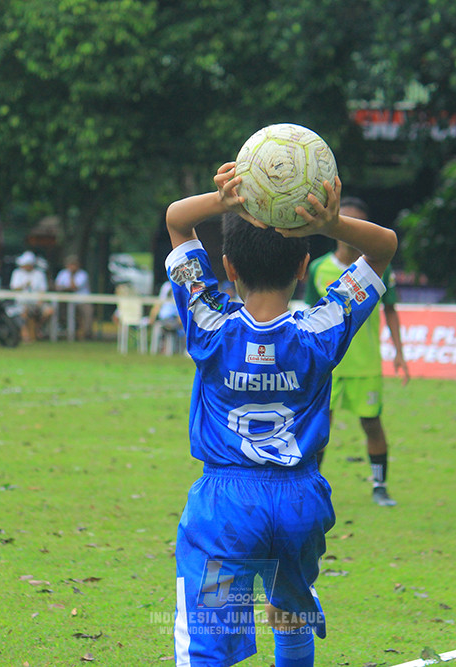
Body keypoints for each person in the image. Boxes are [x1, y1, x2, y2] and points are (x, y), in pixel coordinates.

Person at [166, 163, 397, 667]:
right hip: (300, 503)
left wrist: (225, 200)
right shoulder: (322, 331)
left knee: (209, 641)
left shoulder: (210, 326)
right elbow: (383, 247)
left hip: (227, 506)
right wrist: (331, 222)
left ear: (228, 268)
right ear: (303, 267)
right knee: (289, 611)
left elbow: (177, 222)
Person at [302, 196, 408, 507]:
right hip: (329, 366)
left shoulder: (376, 268)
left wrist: (399, 352)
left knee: (372, 423)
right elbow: (310, 316)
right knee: (320, 426)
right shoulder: (318, 268)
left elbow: (390, 310)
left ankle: (380, 486)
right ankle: (311, 488)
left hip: (365, 364)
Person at [9, 250, 53, 342]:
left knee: (49, 311)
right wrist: (24, 285)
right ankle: (26, 336)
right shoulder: (17, 273)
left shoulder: (39, 274)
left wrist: (40, 301)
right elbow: (14, 288)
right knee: (23, 313)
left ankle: (37, 328)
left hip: (37, 302)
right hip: (22, 303)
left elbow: (43, 290)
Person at [54, 254, 93, 340]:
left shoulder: (83, 274)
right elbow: (57, 287)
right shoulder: (63, 273)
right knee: (58, 309)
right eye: (70, 264)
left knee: (88, 311)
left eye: (74, 264)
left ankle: (86, 334)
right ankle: (64, 329)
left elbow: (74, 287)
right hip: (66, 301)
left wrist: (71, 276)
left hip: (82, 300)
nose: (72, 267)